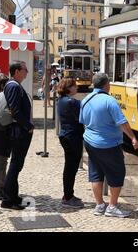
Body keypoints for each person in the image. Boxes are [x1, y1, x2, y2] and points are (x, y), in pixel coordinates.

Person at [79, 73, 138, 217]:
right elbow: (122, 122)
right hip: (109, 144)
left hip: (90, 142)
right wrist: (133, 138)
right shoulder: (109, 101)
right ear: (106, 84)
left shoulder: (85, 100)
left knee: (95, 174)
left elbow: (83, 121)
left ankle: (99, 205)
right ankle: (112, 206)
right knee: (116, 174)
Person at [1, 61, 34, 210]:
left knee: (17, 165)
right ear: (16, 71)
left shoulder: (13, 85)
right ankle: (8, 199)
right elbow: (15, 110)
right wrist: (27, 126)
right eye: (25, 69)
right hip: (19, 131)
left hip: (18, 130)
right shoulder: (13, 86)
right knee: (15, 165)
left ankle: (12, 195)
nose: (27, 72)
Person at [57, 78, 85, 208]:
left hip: (65, 135)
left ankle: (68, 194)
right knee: (71, 168)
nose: (77, 88)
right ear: (69, 87)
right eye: (74, 86)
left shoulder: (61, 100)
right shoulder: (72, 102)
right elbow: (82, 117)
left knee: (69, 166)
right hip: (73, 136)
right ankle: (68, 197)